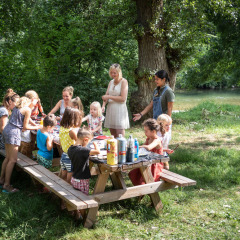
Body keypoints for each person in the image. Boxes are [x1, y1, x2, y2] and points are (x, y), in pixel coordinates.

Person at [0, 91, 42, 193]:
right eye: (36, 101)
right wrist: (38, 126)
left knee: (8, 158)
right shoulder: (27, 109)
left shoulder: (18, 107)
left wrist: (34, 124)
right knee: (13, 160)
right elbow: (25, 127)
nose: (36, 104)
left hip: (7, 130)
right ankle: (7, 185)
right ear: (32, 100)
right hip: (13, 134)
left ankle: (1, 180)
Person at [68, 127, 100, 218]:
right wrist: (95, 143)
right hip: (82, 179)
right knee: (83, 201)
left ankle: (76, 214)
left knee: (76, 197)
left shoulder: (71, 149)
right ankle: (85, 217)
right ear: (85, 139)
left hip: (74, 178)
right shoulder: (83, 150)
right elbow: (97, 151)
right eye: (88, 141)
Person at [129, 118, 163, 186]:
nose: (145, 133)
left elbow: (149, 147)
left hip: (155, 163)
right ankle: (140, 190)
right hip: (147, 161)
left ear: (153, 131)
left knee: (145, 175)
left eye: (146, 131)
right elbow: (144, 148)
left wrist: (137, 147)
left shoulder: (157, 140)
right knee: (133, 173)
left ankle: (143, 191)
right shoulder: (149, 138)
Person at [102, 63, 129, 138]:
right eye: (111, 73)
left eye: (115, 73)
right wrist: (103, 106)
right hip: (111, 109)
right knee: (113, 135)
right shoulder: (110, 82)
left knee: (119, 135)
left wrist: (109, 96)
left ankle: (121, 149)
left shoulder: (124, 81)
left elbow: (123, 98)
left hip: (119, 109)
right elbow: (106, 96)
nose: (113, 74)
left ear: (119, 72)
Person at [59, 107, 82, 184]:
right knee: (70, 176)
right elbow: (79, 143)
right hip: (70, 157)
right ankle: (68, 189)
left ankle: (61, 187)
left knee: (64, 174)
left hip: (64, 155)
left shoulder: (62, 128)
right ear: (74, 119)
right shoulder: (72, 132)